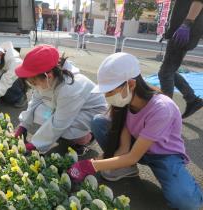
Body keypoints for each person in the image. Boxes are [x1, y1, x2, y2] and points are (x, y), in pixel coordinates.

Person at [68, 53, 203, 210]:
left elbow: (132, 156)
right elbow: (124, 149)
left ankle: (188, 185)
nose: (106, 97)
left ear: (130, 84)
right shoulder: (126, 103)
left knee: (186, 202)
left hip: (163, 155)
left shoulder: (161, 108)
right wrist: (96, 161)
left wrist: (91, 166)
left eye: (109, 91)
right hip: (137, 147)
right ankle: (127, 169)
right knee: (99, 121)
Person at [14, 45, 107, 155]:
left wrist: (35, 145)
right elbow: (35, 101)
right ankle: (62, 137)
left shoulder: (71, 87)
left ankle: (86, 138)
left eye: (34, 82)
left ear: (48, 75)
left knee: (65, 128)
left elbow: (59, 123)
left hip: (90, 113)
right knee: (39, 112)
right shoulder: (49, 78)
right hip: (68, 109)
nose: (33, 86)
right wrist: (23, 126)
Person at [158, 0, 203, 118]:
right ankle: (192, 100)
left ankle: (165, 114)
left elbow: (198, 2)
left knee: (165, 73)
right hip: (182, 31)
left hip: (183, 32)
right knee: (169, 71)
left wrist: (187, 23)